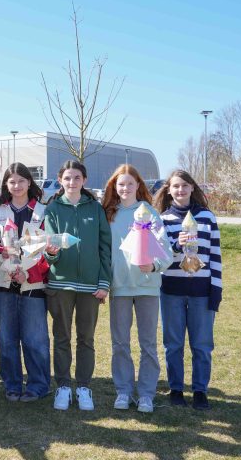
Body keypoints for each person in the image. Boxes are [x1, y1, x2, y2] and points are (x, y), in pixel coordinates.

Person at [101, 164, 171, 413]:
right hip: (119, 287)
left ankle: (146, 394)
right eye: (121, 184)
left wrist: (152, 266)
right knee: (120, 342)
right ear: (114, 186)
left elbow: (167, 253)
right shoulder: (109, 213)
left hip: (147, 288)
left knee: (148, 344)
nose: (125, 188)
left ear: (138, 185)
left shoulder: (149, 213)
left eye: (130, 184)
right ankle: (123, 391)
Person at [43, 160, 112, 412]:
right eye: (67, 178)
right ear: (60, 180)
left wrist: (104, 281)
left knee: (87, 338)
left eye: (77, 178)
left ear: (84, 180)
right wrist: (51, 254)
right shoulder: (52, 209)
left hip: (90, 287)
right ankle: (63, 386)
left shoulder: (95, 208)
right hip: (60, 284)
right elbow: (50, 248)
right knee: (61, 336)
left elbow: (105, 248)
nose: (72, 182)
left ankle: (83, 386)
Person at [154, 170, 222, 410]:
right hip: (171, 290)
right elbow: (160, 256)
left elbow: (215, 256)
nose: (180, 190)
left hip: (202, 291)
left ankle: (200, 390)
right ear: (168, 190)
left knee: (202, 345)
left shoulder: (207, 218)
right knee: (173, 343)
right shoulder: (162, 219)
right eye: (175, 186)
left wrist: (216, 290)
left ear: (192, 188)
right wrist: (175, 245)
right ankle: (175, 389)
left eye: (185, 185)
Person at [0, 162, 52, 403]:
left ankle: (38, 385)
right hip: (4, 281)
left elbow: (45, 249)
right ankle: (12, 384)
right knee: (6, 338)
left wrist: (27, 272)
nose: (17, 186)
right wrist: (4, 262)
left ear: (29, 182)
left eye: (21, 181)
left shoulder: (42, 212)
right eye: (12, 181)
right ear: (6, 184)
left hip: (33, 283)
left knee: (35, 338)